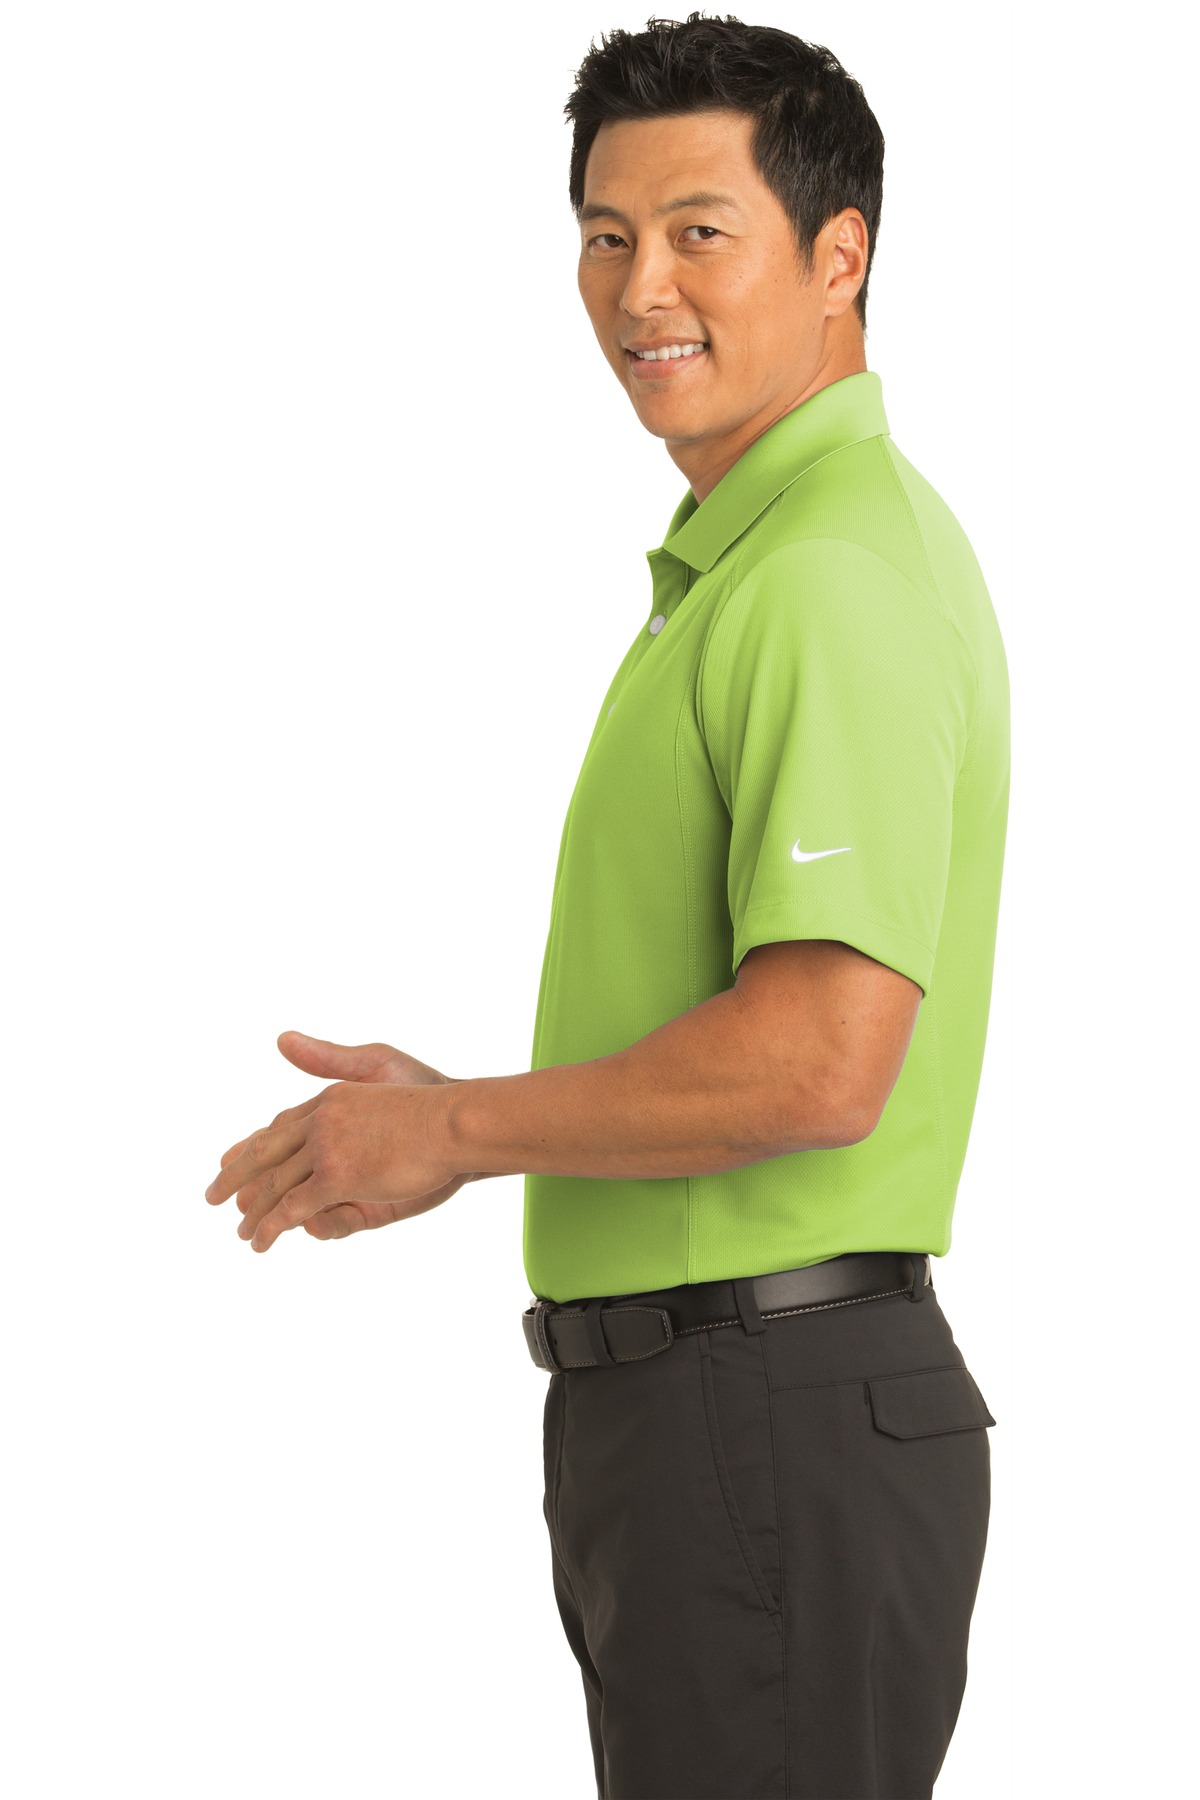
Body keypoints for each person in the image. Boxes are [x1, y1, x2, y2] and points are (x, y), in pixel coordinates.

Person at [204, 14, 1009, 1797]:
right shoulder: (754, 567)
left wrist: (456, 1133)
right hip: (722, 1412)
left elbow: (818, 1063)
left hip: (762, 1410)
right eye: (604, 233)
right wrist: (456, 1113)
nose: (642, 288)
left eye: (701, 231)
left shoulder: (826, 576)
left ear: (841, 256)